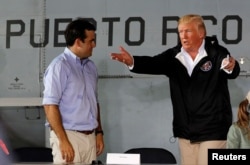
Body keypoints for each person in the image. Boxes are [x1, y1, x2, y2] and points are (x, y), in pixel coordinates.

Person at [110, 14, 240, 165]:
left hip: (214, 131)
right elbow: (153, 63)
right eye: (180, 32)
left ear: (201, 33)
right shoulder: (174, 56)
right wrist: (132, 61)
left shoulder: (217, 53)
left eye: (188, 31)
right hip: (186, 132)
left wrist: (232, 66)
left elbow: (231, 69)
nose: (183, 36)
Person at [42, 18, 104, 164]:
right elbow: (50, 106)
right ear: (78, 42)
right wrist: (63, 141)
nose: (94, 45)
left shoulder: (91, 67)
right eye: (91, 41)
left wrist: (99, 133)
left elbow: (94, 103)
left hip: (90, 137)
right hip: (68, 137)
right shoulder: (59, 67)